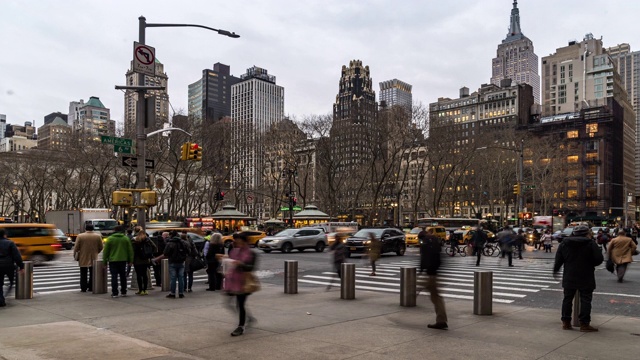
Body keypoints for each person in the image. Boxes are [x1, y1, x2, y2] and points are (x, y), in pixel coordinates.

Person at [553, 225, 603, 332]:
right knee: (585, 299)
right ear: (587, 233)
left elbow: (558, 260)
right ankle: (584, 324)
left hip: (569, 274)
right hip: (586, 274)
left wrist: (556, 270)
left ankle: (566, 322)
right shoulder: (590, 243)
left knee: (567, 298)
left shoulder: (565, 243)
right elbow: (599, 259)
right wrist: (590, 263)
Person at [218, 232, 258, 336]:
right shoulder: (235, 251)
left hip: (244, 282)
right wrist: (224, 258)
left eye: (240, 242)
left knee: (240, 304)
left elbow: (251, 268)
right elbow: (230, 261)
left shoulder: (251, 253)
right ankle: (248, 318)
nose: (238, 244)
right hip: (232, 281)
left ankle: (241, 326)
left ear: (245, 242)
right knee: (228, 303)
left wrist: (241, 264)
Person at [418, 228, 448, 329]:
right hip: (434, 270)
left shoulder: (425, 242)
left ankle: (441, 320)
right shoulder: (435, 239)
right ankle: (441, 319)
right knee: (436, 296)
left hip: (430, 272)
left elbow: (424, 257)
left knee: (435, 296)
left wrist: (421, 270)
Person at [154, 230, 188, 298]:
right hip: (181, 262)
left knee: (173, 278)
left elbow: (166, 253)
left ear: (171, 235)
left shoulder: (170, 243)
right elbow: (188, 250)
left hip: (172, 262)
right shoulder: (183, 242)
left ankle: (173, 293)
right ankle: (181, 293)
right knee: (181, 278)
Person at [103, 225, 134, 298]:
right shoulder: (125, 239)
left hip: (113, 260)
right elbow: (130, 251)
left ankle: (115, 292)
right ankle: (123, 291)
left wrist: (104, 262)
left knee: (114, 277)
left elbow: (106, 252)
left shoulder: (110, 239)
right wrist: (130, 260)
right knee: (123, 276)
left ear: (114, 230)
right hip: (123, 260)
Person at [73, 224, 103, 292]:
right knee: (92, 273)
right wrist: (96, 252)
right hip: (93, 256)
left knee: (83, 273)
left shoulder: (80, 236)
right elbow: (101, 247)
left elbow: (76, 247)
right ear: (93, 229)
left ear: (85, 229)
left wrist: (75, 254)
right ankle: (91, 287)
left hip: (83, 256)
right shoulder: (97, 236)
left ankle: (83, 287)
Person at [0, 229, 24, 307]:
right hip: (9, 266)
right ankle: (6, 295)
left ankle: (1, 300)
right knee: (11, 282)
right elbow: (16, 256)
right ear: (4, 235)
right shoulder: (10, 243)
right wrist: (21, 266)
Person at [131, 226, 156, 295]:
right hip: (146, 260)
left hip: (137, 260)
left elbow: (132, 251)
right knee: (145, 274)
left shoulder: (134, 240)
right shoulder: (147, 239)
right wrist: (150, 254)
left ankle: (140, 290)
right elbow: (155, 247)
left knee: (139, 275)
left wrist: (131, 260)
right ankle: (145, 290)